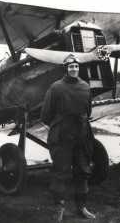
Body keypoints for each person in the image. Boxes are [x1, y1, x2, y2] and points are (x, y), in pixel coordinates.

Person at [41, 54, 96, 221]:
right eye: (71, 67)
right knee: (60, 172)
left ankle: (81, 207)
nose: (74, 69)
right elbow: (45, 115)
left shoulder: (85, 87)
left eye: (76, 67)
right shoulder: (56, 88)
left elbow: (88, 112)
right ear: (65, 68)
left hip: (82, 134)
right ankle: (59, 209)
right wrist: (61, 126)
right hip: (62, 136)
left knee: (83, 170)